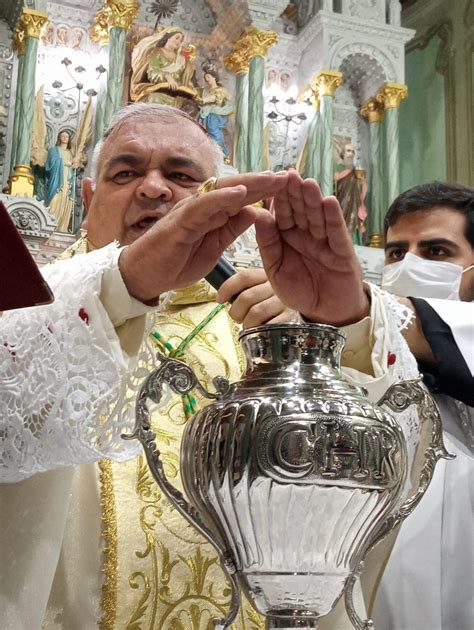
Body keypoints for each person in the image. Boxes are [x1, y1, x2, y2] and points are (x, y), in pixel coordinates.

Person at [371, 181, 474, 630]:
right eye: (396, 252)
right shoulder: (364, 348)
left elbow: (405, 325)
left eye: (435, 251)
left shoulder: (370, 318)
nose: (409, 264)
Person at [130, 25, 196, 107]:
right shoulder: (156, 52)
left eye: (181, 40)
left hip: (178, 95)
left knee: (192, 107)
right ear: (168, 37)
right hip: (158, 91)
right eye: (177, 38)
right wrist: (167, 77)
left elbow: (186, 81)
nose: (179, 42)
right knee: (155, 99)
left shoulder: (182, 61)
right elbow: (152, 72)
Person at [45, 129, 78, 233]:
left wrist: (75, 165)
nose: (65, 138)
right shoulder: (54, 150)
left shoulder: (69, 153)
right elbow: (51, 163)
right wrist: (68, 162)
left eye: (67, 137)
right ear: (59, 138)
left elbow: (73, 166)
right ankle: (50, 223)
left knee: (67, 200)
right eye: (62, 136)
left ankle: (62, 227)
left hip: (68, 180)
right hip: (57, 181)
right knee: (55, 199)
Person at [334, 141, 368, 245]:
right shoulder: (336, 170)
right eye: (348, 151)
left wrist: (361, 181)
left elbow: (362, 191)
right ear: (342, 154)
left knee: (353, 224)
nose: (351, 154)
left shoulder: (356, 171)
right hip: (341, 205)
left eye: (353, 151)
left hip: (354, 205)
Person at [197, 68, 233, 160]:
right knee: (206, 133)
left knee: (213, 130)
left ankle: (222, 153)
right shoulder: (205, 90)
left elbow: (216, 98)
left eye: (208, 77)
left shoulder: (220, 90)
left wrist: (204, 100)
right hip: (206, 113)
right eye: (206, 78)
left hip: (216, 114)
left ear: (214, 78)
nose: (207, 79)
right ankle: (211, 152)